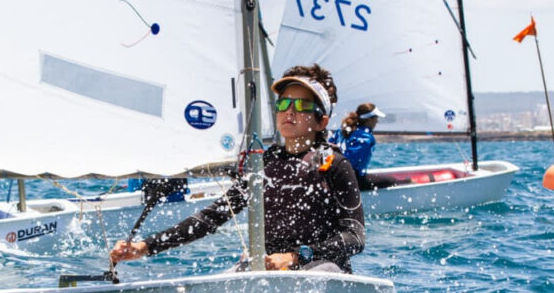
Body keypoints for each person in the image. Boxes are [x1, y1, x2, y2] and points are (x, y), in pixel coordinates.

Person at [110, 63, 365, 273]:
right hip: (269, 269)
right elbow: (212, 217)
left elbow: (355, 237)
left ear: (321, 122)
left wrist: (296, 256)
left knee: (319, 272)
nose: (289, 112)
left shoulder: (335, 166)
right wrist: (146, 246)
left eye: (301, 106)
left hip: (322, 269)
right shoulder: (264, 165)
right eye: (283, 104)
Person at [328, 103, 397, 190]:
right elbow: (350, 163)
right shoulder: (366, 138)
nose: (377, 121)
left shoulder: (341, 130)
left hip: (335, 176)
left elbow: (328, 145)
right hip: (352, 179)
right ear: (369, 120)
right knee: (391, 181)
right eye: (376, 118)